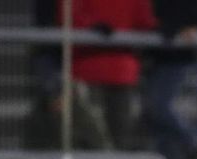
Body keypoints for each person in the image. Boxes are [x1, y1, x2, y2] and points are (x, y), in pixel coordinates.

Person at [61, 0, 158, 149]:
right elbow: (68, 17)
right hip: (92, 71)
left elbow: (145, 22)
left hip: (115, 71)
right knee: (96, 132)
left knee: (108, 132)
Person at [145, 0, 197, 159]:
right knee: (155, 113)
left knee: (160, 107)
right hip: (157, 59)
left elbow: (195, 23)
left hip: (178, 59)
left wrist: (175, 29)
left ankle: (191, 141)